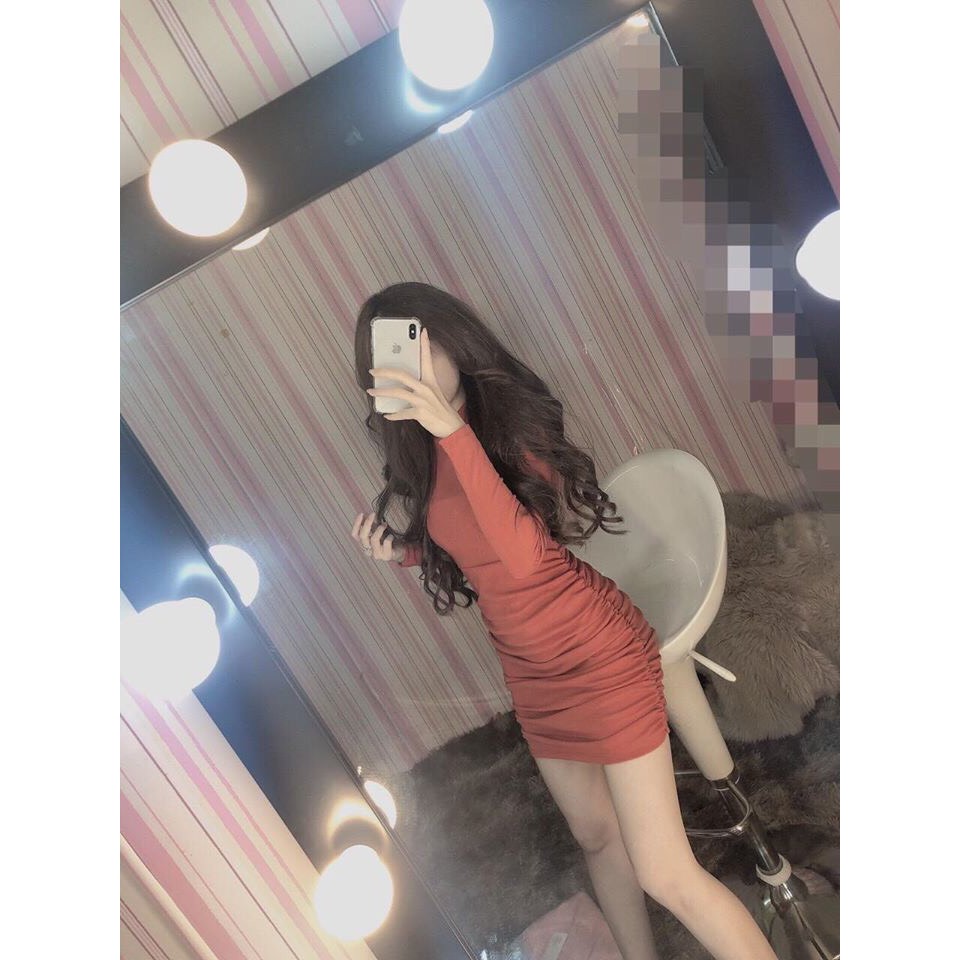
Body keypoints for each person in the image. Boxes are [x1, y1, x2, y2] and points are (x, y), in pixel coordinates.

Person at [349, 282, 776, 960]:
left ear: (456, 342)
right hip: (531, 670)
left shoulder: (505, 426)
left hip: (597, 650)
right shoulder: (427, 452)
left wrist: (453, 433)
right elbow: (473, 547)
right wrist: (402, 551)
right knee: (596, 836)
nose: (413, 366)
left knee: (665, 872)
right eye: (393, 355)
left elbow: (523, 555)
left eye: (422, 345)